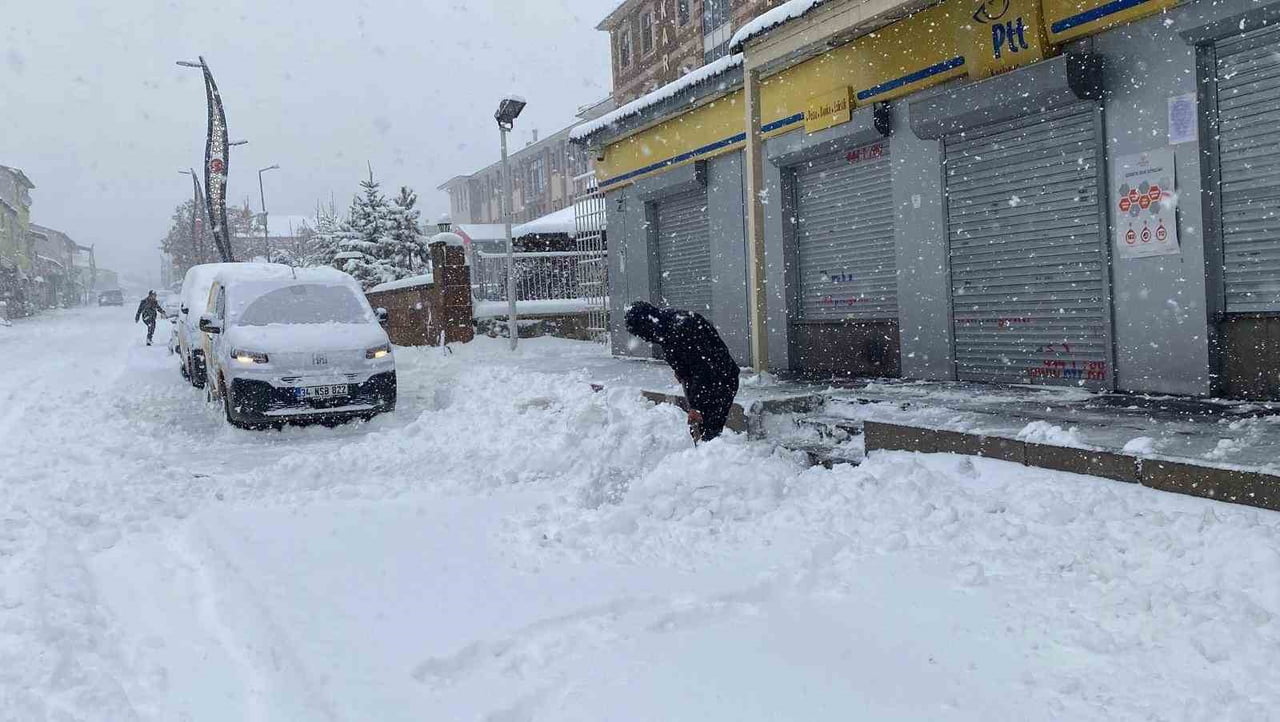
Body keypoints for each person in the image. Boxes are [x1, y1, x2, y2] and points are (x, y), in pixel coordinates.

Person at [625, 300, 740, 442]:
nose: (644, 338)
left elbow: (702, 368)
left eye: (641, 333)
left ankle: (711, 451)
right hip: (705, 378)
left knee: (708, 432)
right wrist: (680, 370)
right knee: (698, 431)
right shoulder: (664, 326)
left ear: (646, 323)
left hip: (720, 379)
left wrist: (696, 407)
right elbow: (682, 357)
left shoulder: (682, 326)